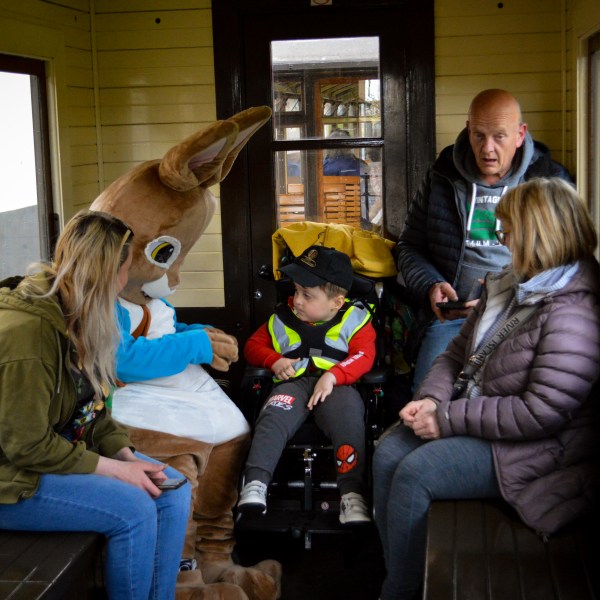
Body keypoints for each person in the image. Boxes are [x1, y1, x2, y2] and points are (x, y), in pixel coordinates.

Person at [373, 177, 600, 600]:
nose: (502, 239)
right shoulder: (512, 284)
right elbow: (455, 355)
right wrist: (431, 398)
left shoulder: (574, 312)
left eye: (507, 231)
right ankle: (401, 576)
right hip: (476, 416)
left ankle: (398, 591)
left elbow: (541, 412)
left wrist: (445, 418)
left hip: (537, 448)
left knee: (416, 475)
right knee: (387, 453)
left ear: (537, 235)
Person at [0, 211, 191, 600]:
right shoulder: (28, 335)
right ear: (110, 274)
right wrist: (117, 471)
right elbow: (26, 445)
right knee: (134, 509)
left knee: (173, 491)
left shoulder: (81, 315)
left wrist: (126, 455)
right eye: (126, 269)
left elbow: (94, 409)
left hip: (49, 457)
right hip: (11, 478)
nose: (127, 279)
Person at [397, 89, 573, 391]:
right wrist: (430, 285)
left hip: (520, 316)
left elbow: (566, 265)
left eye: (499, 137)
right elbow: (408, 246)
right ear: (468, 130)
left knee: (497, 397)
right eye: (478, 135)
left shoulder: (549, 182)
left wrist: (501, 299)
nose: (487, 148)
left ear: (520, 135)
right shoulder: (441, 176)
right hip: (451, 319)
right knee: (424, 397)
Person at [237, 245, 377, 524]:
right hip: (293, 382)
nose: (297, 300)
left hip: (337, 386)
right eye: (297, 291)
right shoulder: (282, 318)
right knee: (273, 416)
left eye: (307, 295)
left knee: (349, 420)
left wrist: (334, 375)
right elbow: (253, 346)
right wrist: (274, 360)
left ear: (336, 302)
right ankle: (255, 483)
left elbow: (364, 356)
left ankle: (351, 494)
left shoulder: (356, 320)